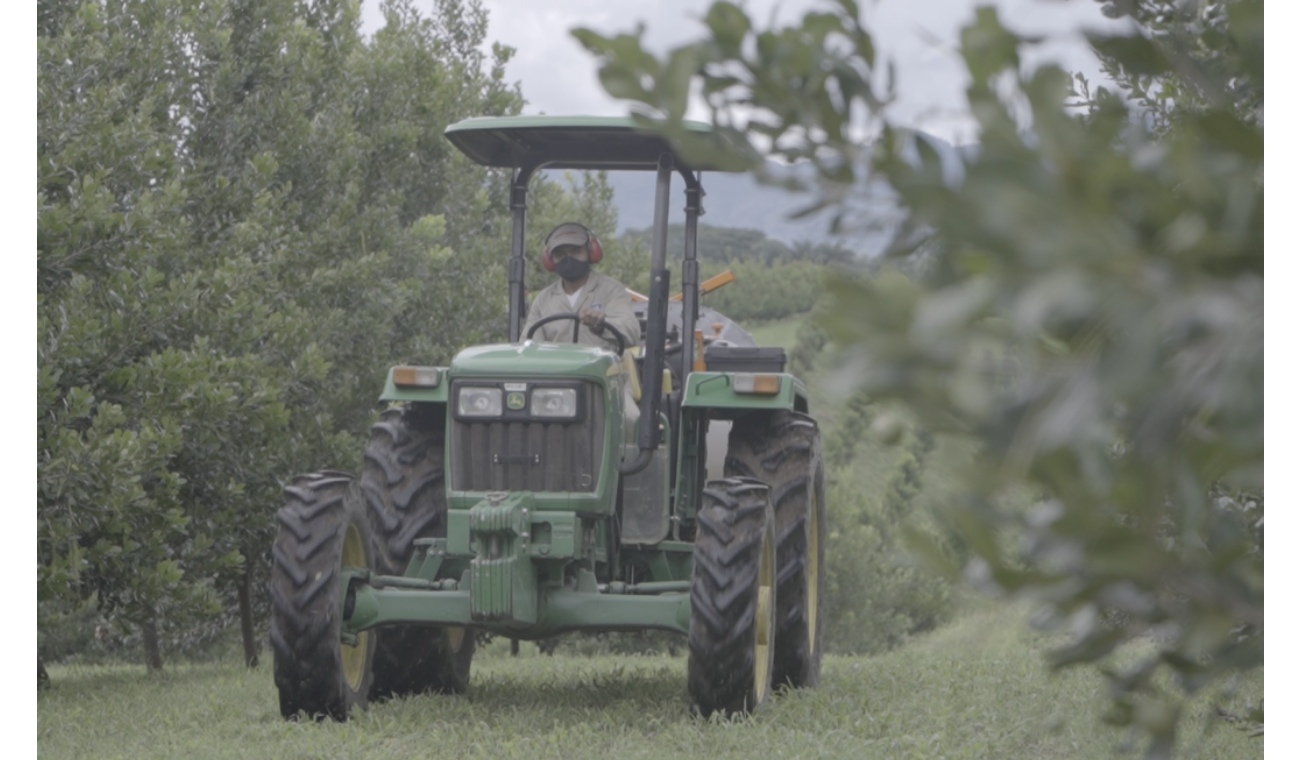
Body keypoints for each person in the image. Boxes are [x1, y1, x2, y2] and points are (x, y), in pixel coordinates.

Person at [523, 222, 641, 352]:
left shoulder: (611, 290)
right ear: (550, 260)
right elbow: (528, 346)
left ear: (591, 252)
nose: (568, 259)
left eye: (576, 251)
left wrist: (602, 325)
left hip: (600, 371)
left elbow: (632, 332)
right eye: (560, 254)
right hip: (556, 370)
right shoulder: (543, 300)